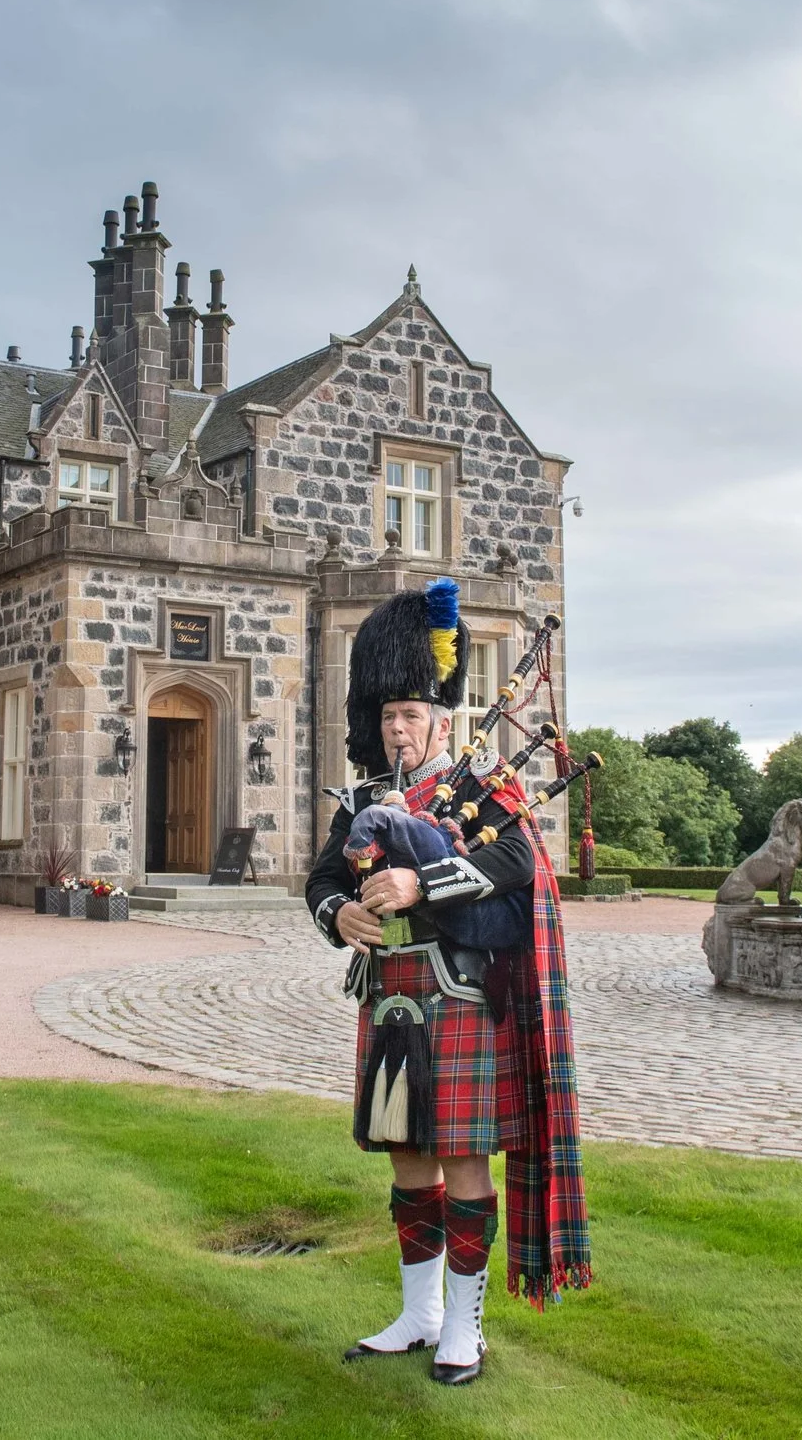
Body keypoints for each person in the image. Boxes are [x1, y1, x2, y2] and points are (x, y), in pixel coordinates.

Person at [304, 578, 591, 1386]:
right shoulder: (362, 797)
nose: (399, 727)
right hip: (390, 998)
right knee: (406, 1156)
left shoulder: (481, 780)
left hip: (460, 996)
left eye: (412, 713)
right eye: (388, 714)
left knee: (464, 1158)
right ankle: (418, 1313)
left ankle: (465, 1326)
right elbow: (321, 879)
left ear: (440, 715)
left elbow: (516, 862)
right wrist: (340, 916)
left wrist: (419, 885)